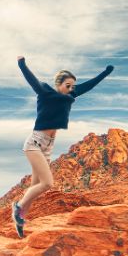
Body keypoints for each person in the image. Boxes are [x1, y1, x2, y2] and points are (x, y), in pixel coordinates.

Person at [11, 56, 113, 238]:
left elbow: (89, 85)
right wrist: (22, 64)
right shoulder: (45, 92)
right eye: (68, 85)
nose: (71, 89)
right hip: (35, 142)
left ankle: (21, 219)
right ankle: (17, 208)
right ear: (59, 84)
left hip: (48, 146)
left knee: (35, 185)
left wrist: (105, 73)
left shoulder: (71, 95)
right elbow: (32, 80)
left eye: (73, 86)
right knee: (47, 183)